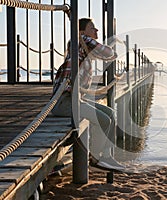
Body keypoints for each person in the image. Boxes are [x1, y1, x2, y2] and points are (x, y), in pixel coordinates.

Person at [52, 18, 124, 170]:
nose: (96, 30)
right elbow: (109, 53)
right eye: (93, 27)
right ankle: (97, 159)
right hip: (64, 103)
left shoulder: (82, 49)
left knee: (110, 113)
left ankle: (106, 156)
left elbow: (107, 56)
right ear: (82, 32)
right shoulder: (80, 40)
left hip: (75, 100)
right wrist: (112, 50)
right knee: (103, 120)